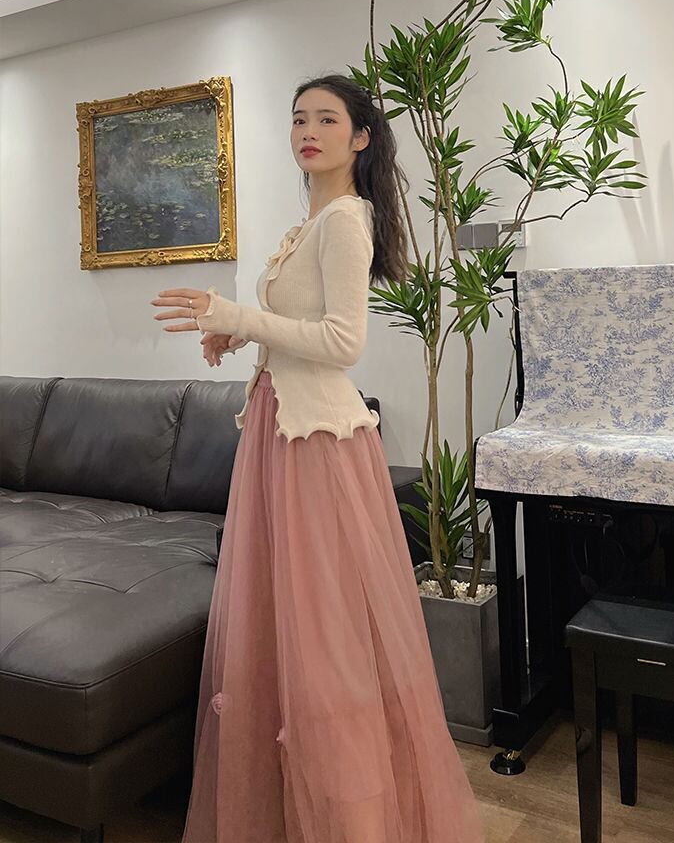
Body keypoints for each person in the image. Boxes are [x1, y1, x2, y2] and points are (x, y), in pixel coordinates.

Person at [150, 74, 485, 842]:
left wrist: (237, 314)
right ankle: (286, 811)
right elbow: (296, 329)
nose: (308, 130)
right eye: (299, 117)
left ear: (360, 138)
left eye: (327, 119)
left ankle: (351, 820)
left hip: (318, 446)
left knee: (327, 641)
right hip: (278, 433)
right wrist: (237, 334)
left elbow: (342, 342)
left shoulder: (344, 219)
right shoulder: (309, 224)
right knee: (285, 629)